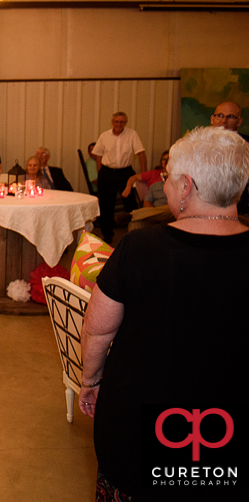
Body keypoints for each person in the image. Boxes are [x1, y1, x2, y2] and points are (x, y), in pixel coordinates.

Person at [79, 126, 248, 502]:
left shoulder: (139, 249)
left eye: (169, 177)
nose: (166, 184)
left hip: (142, 424)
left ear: (186, 187)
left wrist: (90, 381)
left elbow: (98, 330)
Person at [91, 112, 147, 243]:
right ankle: (107, 235)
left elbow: (141, 153)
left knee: (131, 203)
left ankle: (135, 233)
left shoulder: (132, 134)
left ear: (125, 123)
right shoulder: (104, 135)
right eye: (116, 122)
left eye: (122, 122)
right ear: (112, 122)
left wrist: (143, 174)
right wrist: (100, 174)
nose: (118, 124)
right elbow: (98, 155)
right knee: (106, 205)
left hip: (125, 172)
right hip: (107, 172)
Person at [210, 101, 249, 214]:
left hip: (237, 206)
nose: (223, 121)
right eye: (220, 116)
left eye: (230, 117)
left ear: (239, 122)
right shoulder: (197, 142)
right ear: (212, 119)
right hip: (203, 203)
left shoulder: (246, 144)